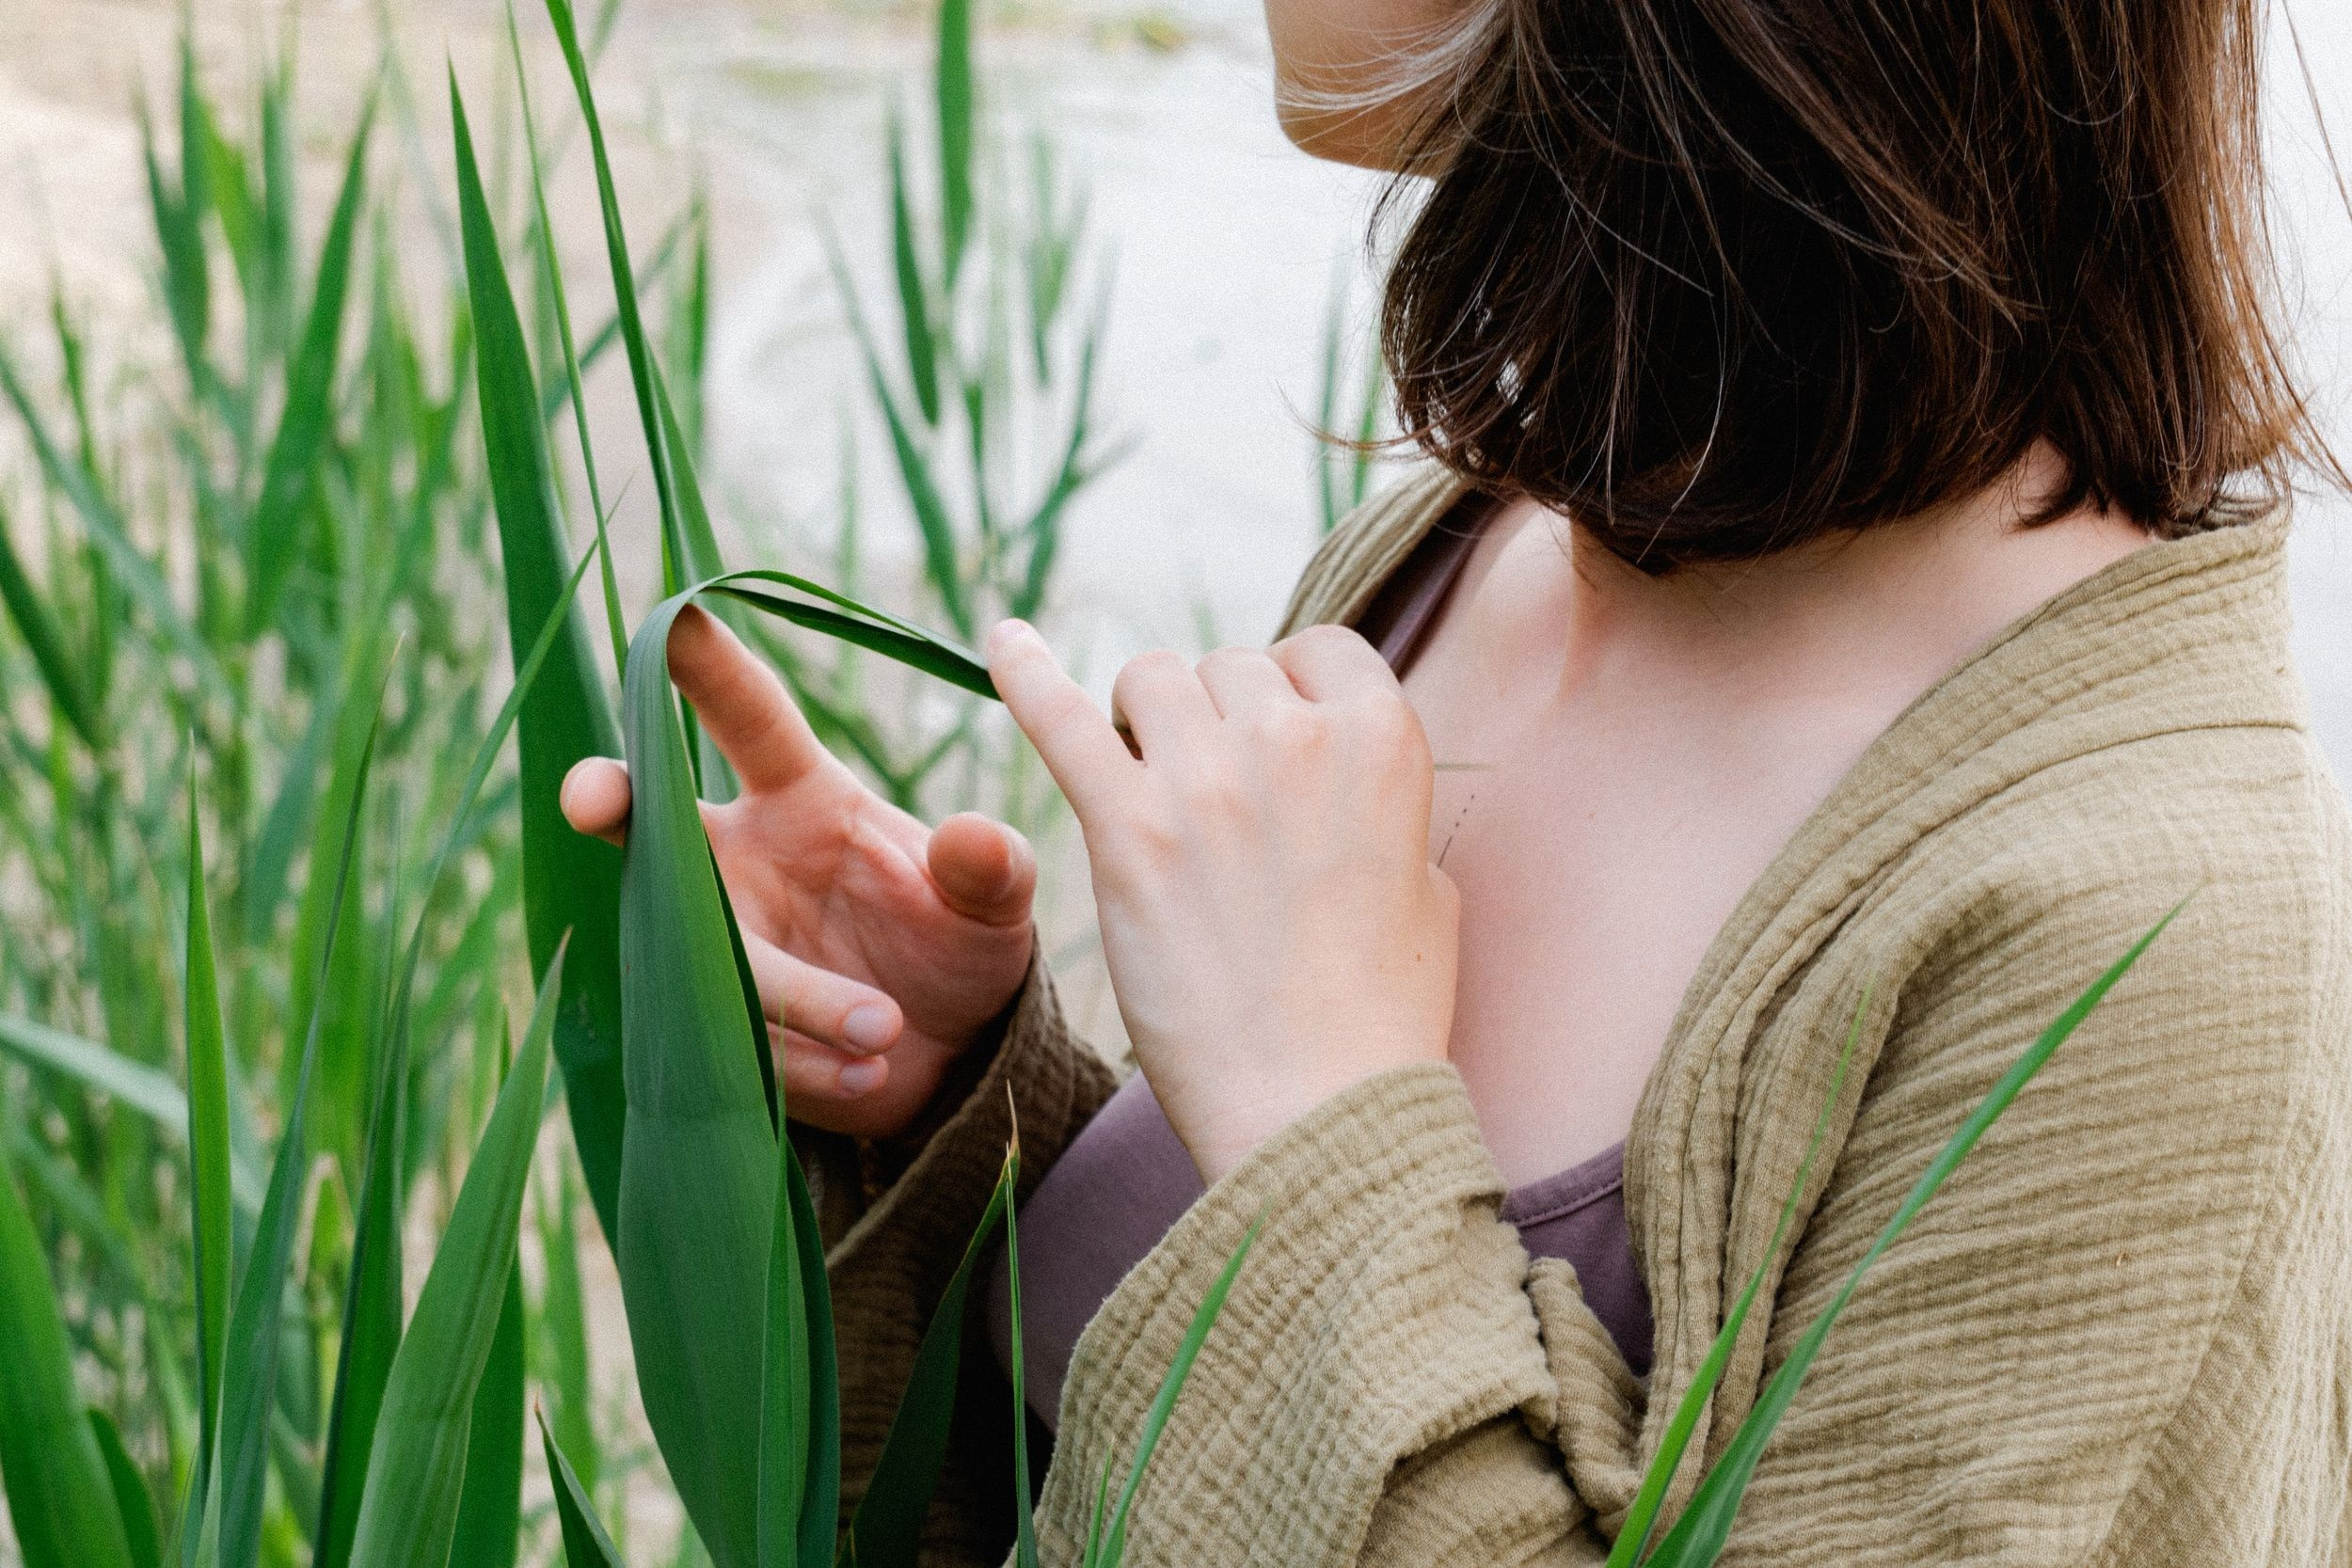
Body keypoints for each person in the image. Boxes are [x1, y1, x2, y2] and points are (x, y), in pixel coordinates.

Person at [560, 0, 2352, 1560]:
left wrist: (1314, 1115)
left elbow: (1331, 1259)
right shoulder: (1457, 552)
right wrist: (961, 1110)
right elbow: (1156, 1461)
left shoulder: (2160, 929)